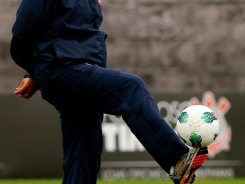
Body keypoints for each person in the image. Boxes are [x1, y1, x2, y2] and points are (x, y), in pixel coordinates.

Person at [11, 0, 208, 183]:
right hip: (62, 71)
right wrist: (36, 72)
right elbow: (22, 34)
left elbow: (70, 35)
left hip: (84, 75)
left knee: (83, 157)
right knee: (131, 88)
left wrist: (35, 74)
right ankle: (175, 161)